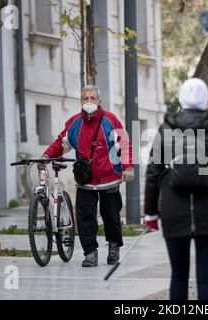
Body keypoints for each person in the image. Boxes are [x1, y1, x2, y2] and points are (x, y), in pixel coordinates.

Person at [144, 78, 208, 300]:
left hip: (173, 209)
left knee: (178, 276)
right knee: (206, 278)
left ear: (181, 98)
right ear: (206, 98)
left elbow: (153, 172)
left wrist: (151, 212)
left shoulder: (166, 128)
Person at [40, 85, 134, 267]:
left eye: (92, 98)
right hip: (86, 180)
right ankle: (90, 252)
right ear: (81, 101)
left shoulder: (110, 120)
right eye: (85, 98)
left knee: (111, 216)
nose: (89, 102)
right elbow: (61, 143)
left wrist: (128, 168)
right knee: (85, 217)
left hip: (110, 178)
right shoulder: (75, 123)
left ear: (99, 101)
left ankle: (114, 245)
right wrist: (46, 156)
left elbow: (124, 144)